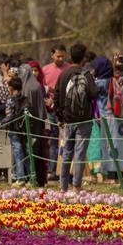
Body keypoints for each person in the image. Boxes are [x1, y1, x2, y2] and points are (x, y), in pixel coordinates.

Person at [54, 43, 98, 193]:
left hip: (68, 120)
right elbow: (94, 93)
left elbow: (56, 97)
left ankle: (63, 187)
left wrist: (60, 117)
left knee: (67, 153)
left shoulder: (63, 75)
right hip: (84, 121)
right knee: (80, 153)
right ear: (83, 58)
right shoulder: (87, 75)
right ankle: (77, 186)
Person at [41, 45, 68, 181]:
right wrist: (47, 98)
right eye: (58, 56)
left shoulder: (69, 69)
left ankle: (64, 170)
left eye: (63, 56)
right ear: (52, 55)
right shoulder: (45, 70)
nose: (61, 59)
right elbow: (41, 88)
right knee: (53, 139)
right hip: (51, 111)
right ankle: (52, 170)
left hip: (65, 110)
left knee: (65, 140)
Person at [1, 76, 30, 185]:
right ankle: (30, 177)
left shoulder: (10, 99)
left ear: (11, 88)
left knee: (18, 153)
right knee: (26, 153)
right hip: (23, 129)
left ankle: (20, 178)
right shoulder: (25, 99)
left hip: (14, 129)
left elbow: (9, 116)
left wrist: (1, 123)